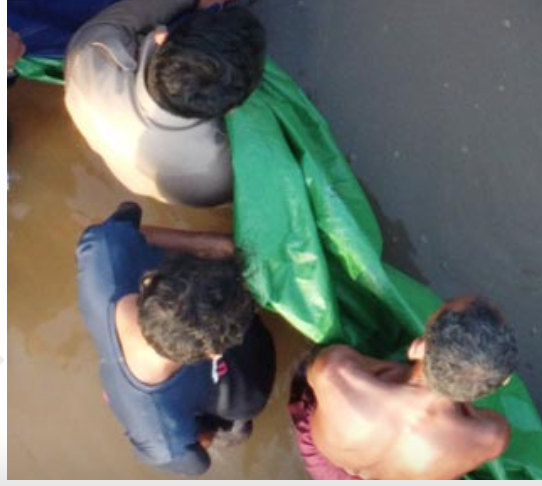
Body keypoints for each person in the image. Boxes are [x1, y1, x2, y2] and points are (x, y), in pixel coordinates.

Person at [77, 202, 276, 476]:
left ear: (148, 282)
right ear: (214, 353)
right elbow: (196, 460)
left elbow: (129, 224)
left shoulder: (102, 249)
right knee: (246, 407)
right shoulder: (162, 438)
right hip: (213, 396)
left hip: (166, 386)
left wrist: (208, 244)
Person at [63, 0, 263, 207]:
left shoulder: (90, 54)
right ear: (233, 109)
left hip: (130, 165)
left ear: (161, 38)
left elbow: (132, 11)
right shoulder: (222, 176)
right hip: (193, 191)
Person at [289, 295, 517, 479]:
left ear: (418, 346)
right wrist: (464, 384)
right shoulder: (493, 437)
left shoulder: (334, 370)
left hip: (326, 463)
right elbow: (488, 420)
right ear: (503, 382)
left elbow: (321, 363)